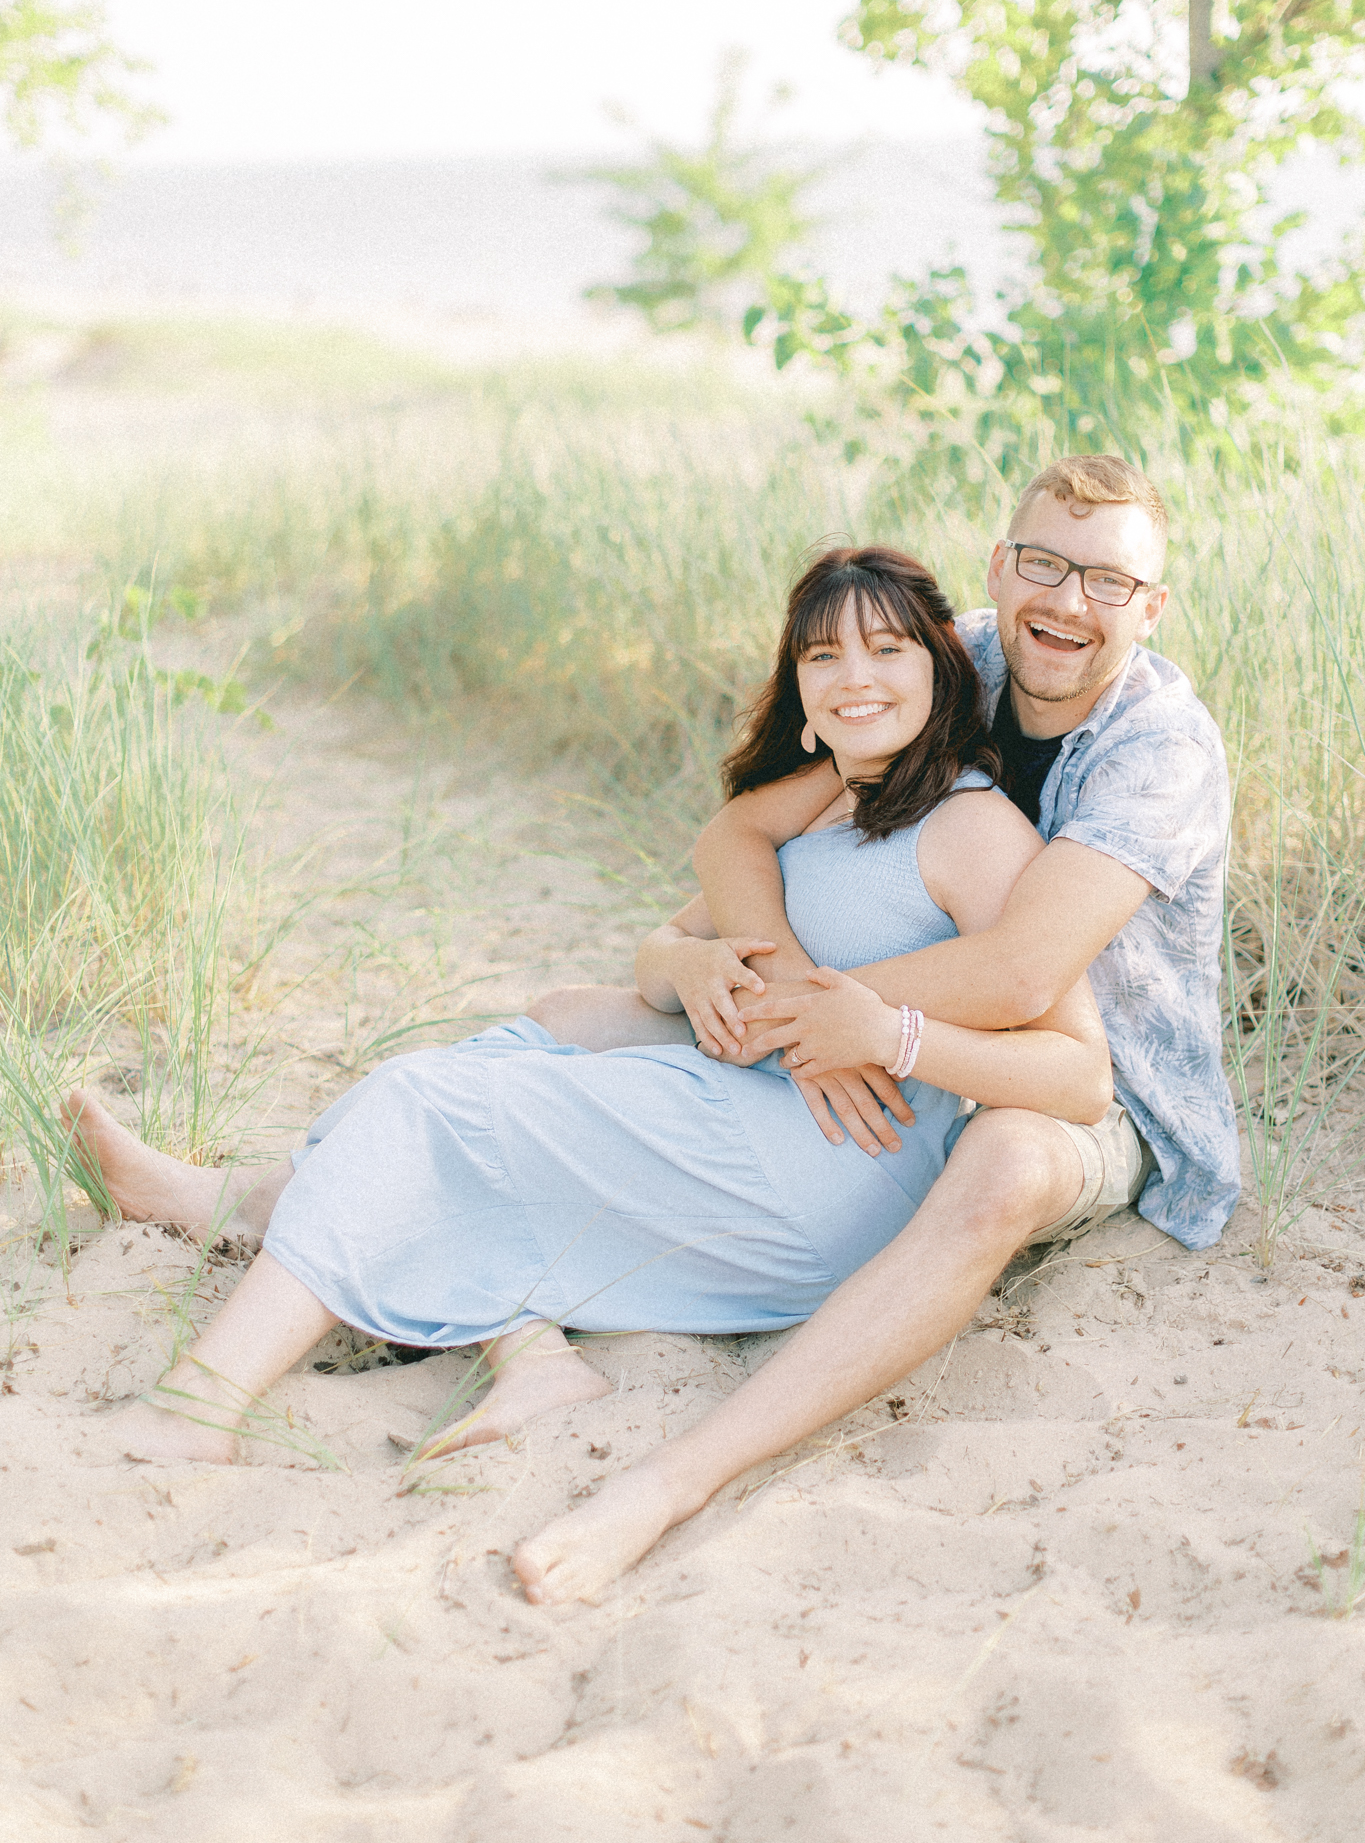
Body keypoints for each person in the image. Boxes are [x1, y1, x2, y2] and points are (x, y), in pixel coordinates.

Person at [67, 546, 1110, 1553]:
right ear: (797, 685)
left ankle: (202, 1393)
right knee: (494, 1066)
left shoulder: (973, 828)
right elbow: (672, 940)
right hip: (743, 1118)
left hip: (827, 1168)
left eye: (887, 648)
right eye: (824, 656)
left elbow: (1079, 1073)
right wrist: (697, 969)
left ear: (941, 664)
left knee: (428, 1107)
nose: (856, 677)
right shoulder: (834, 801)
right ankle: (528, 1353)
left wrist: (895, 1033)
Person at [501, 452, 1237, 1605]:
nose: (1067, 602)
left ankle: (674, 1479)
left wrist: (838, 1020)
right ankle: (270, 1197)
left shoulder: (1160, 752)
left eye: (1108, 580)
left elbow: (1022, 969)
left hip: (1081, 1079)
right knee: (572, 1013)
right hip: (864, 1010)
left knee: (1003, 1164)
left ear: (1150, 606)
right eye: (1044, 564)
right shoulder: (947, 659)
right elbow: (746, 834)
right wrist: (701, 962)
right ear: (999, 569)